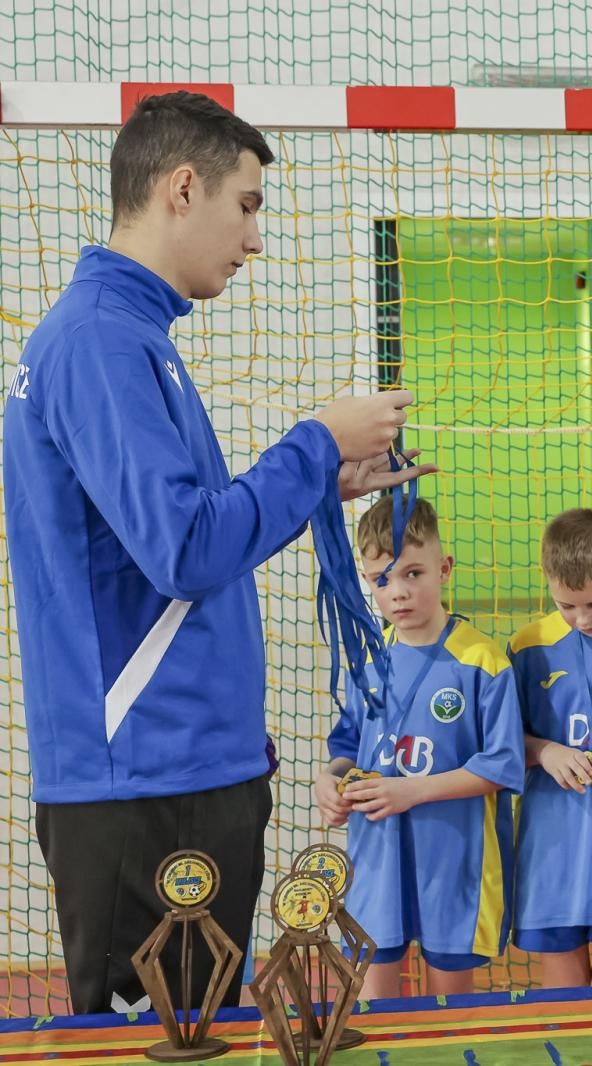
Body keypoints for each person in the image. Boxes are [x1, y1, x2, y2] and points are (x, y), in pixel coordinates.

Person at [4, 90, 429, 1014]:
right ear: (182, 187)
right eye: (247, 206)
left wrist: (319, 485)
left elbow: (178, 532)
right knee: (171, 1040)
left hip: (183, 770)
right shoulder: (99, 342)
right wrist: (315, 440)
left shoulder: (132, 338)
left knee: (209, 1029)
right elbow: (187, 550)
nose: (255, 240)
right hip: (146, 786)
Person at [315, 499, 523, 997]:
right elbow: (348, 746)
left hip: (456, 864)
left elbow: (502, 765)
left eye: (412, 573)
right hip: (377, 859)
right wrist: (329, 778)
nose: (398, 592)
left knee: (451, 1016)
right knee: (372, 1006)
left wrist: (412, 791)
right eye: (381, 580)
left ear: (444, 569)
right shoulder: (369, 659)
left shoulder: (483, 661)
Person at [507, 509, 592, 986]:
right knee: (565, 1007)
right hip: (554, 851)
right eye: (567, 605)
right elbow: (500, 745)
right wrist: (545, 751)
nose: (582, 617)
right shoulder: (527, 648)